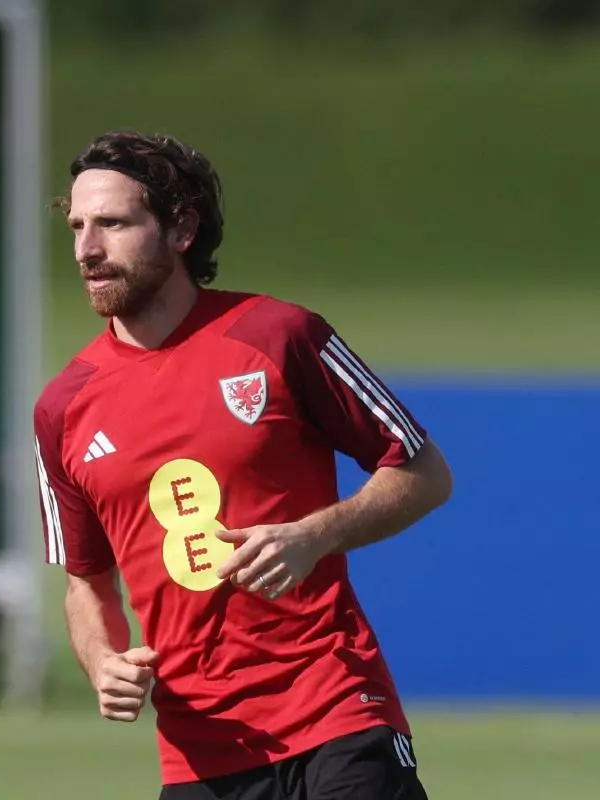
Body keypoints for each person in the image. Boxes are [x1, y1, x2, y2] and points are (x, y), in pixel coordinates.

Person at [33, 129, 453, 800]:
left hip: (337, 714)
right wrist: (101, 661)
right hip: (201, 756)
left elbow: (426, 472)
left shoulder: (280, 336)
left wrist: (315, 535)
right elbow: (87, 585)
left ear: (182, 228)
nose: (87, 248)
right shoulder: (61, 408)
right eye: (78, 226)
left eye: (113, 224)